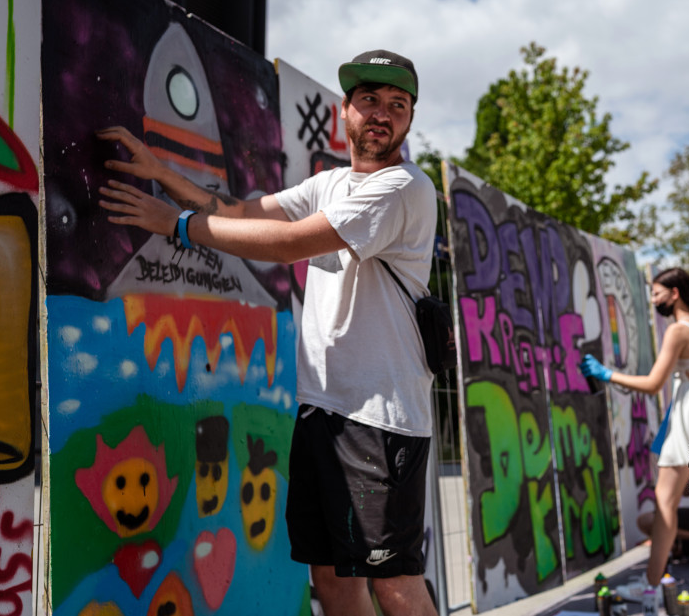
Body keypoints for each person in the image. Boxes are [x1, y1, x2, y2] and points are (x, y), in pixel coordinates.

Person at [98, 49, 440, 616]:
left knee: (394, 581)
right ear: (346, 113)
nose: (382, 113)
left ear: (408, 120)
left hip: (381, 418)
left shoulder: (404, 187)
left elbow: (289, 245)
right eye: (370, 100)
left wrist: (178, 226)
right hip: (321, 412)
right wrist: (162, 174)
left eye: (397, 105)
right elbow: (239, 210)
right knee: (330, 577)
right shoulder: (329, 183)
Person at [580, 267, 689, 611]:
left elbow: (652, 383)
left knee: (664, 505)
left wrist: (606, 374)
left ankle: (649, 588)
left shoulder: (677, 331)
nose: (654, 300)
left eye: (657, 293)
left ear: (674, 293)